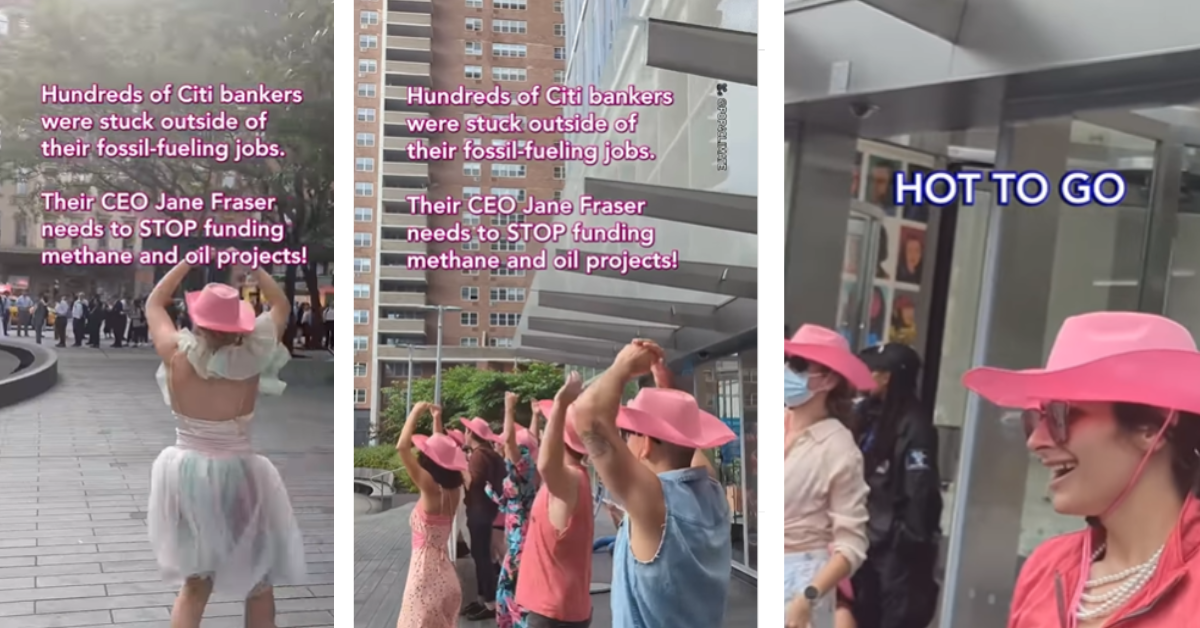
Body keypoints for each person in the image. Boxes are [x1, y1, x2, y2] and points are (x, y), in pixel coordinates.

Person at [963, 312, 1200, 627]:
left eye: (1062, 415)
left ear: (1152, 428)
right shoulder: (1046, 568)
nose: (1036, 440)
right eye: (1035, 419)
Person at [145, 256, 305, 628]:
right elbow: (281, 305)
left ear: (198, 320)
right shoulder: (253, 357)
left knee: (196, 582)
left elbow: (155, 302)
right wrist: (257, 268)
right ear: (237, 326)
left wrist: (186, 263)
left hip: (183, 471)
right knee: (259, 581)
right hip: (238, 472)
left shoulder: (174, 353)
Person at [573, 340, 737, 628]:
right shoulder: (711, 490)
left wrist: (623, 367)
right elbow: (686, 442)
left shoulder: (655, 504)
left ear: (646, 444)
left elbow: (588, 419)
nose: (624, 441)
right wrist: (666, 395)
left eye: (627, 434)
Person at [783, 325, 875, 628]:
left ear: (829, 379)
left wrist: (808, 596)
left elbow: (851, 544)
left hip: (803, 580)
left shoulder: (840, 449)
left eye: (797, 365)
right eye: (786, 360)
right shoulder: (778, 423)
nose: (785, 370)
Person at [849, 344, 942, 628]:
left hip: (896, 552)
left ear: (886, 377)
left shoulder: (914, 425)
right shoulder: (867, 414)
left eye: (870, 370)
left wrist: (904, 541)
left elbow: (919, 491)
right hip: (867, 541)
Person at [517, 371, 594, 628]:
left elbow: (546, 464)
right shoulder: (572, 479)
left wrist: (560, 404)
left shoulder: (569, 478)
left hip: (553, 614)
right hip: (561, 609)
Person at [394, 402, 468, 628]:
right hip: (446, 574)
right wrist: (437, 419)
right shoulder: (454, 489)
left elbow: (402, 448)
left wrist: (415, 411)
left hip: (424, 576)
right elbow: (442, 454)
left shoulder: (429, 487)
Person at [485, 392, 542, 628]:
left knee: (514, 604)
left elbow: (510, 442)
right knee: (513, 599)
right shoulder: (529, 470)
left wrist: (509, 408)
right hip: (522, 542)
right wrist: (536, 416)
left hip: (520, 547)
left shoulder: (523, 470)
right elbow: (530, 441)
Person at [460, 416, 506, 621]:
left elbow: (473, 483)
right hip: (489, 511)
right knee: (484, 557)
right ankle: (484, 599)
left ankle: (489, 602)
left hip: (478, 512)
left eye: (466, 431)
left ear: (471, 434)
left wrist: (460, 468)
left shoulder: (478, 456)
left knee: (482, 557)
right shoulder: (492, 455)